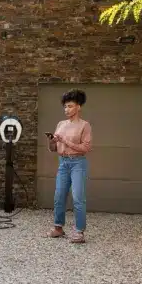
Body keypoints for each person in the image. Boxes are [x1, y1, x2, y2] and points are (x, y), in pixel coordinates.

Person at [46, 89, 93, 244]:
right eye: (65, 106)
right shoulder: (60, 124)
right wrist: (52, 141)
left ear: (78, 107)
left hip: (78, 163)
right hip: (63, 163)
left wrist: (65, 141)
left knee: (78, 198)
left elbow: (86, 148)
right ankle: (58, 228)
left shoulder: (85, 126)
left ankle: (79, 232)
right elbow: (53, 149)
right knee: (59, 196)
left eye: (70, 106)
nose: (66, 109)